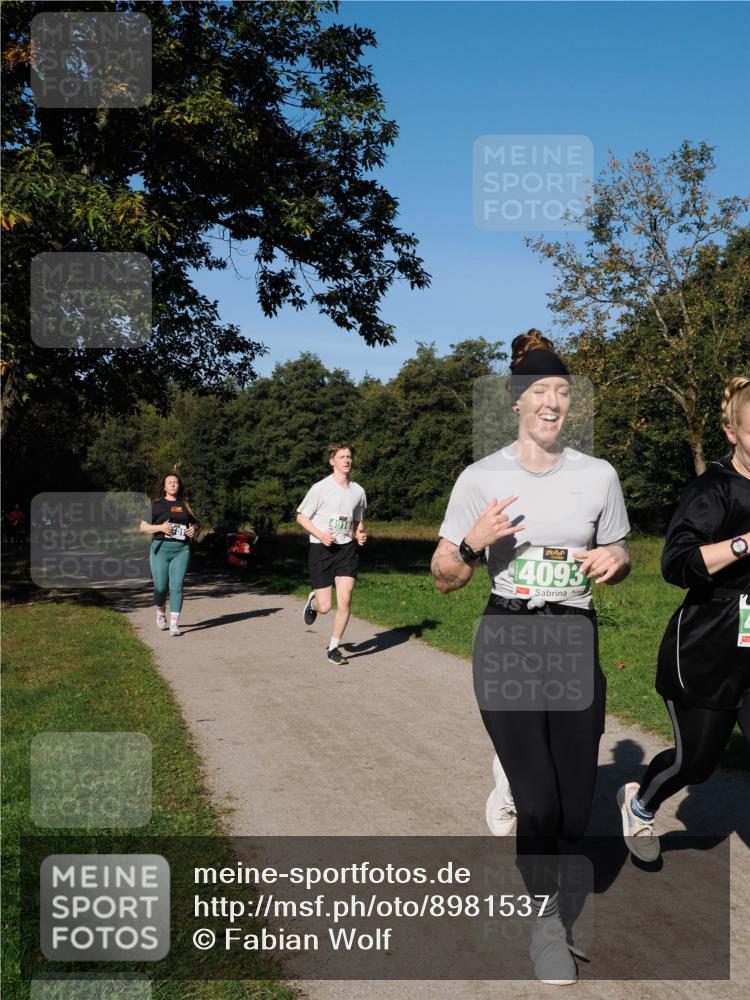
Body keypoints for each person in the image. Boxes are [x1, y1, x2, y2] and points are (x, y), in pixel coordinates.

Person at [431, 329, 631, 985]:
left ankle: (515, 775)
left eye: (562, 392)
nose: (551, 402)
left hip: (574, 635)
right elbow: (443, 576)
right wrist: (471, 544)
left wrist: (615, 560)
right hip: (510, 636)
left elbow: (621, 551)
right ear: (516, 400)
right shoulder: (480, 478)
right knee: (541, 806)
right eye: (539, 391)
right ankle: (548, 929)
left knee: (573, 812)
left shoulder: (598, 476)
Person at [618, 376, 750, 861]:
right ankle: (641, 805)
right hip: (707, 648)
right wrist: (746, 543)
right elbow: (677, 563)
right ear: (732, 433)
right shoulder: (712, 488)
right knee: (695, 763)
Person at [296, 444, 367, 665]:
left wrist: (360, 534)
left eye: (349, 456)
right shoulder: (320, 488)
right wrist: (320, 534)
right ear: (332, 461)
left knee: (345, 600)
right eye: (342, 456)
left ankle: (334, 648)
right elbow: (301, 516)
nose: (347, 460)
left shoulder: (358, 491)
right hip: (322, 549)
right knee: (325, 607)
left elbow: (357, 521)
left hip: (346, 550)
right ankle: (313, 603)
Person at [139, 473, 198, 636]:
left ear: (179, 486)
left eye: (175, 482)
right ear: (164, 487)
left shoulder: (185, 505)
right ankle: (160, 612)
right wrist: (160, 528)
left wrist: (193, 530)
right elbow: (142, 527)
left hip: (181, 550)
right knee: (160, 587)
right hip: (161, 550)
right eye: (169, 482)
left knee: (177, 586)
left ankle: (174, 625)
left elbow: (193, 524)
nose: (173, 484)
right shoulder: (156, 505)